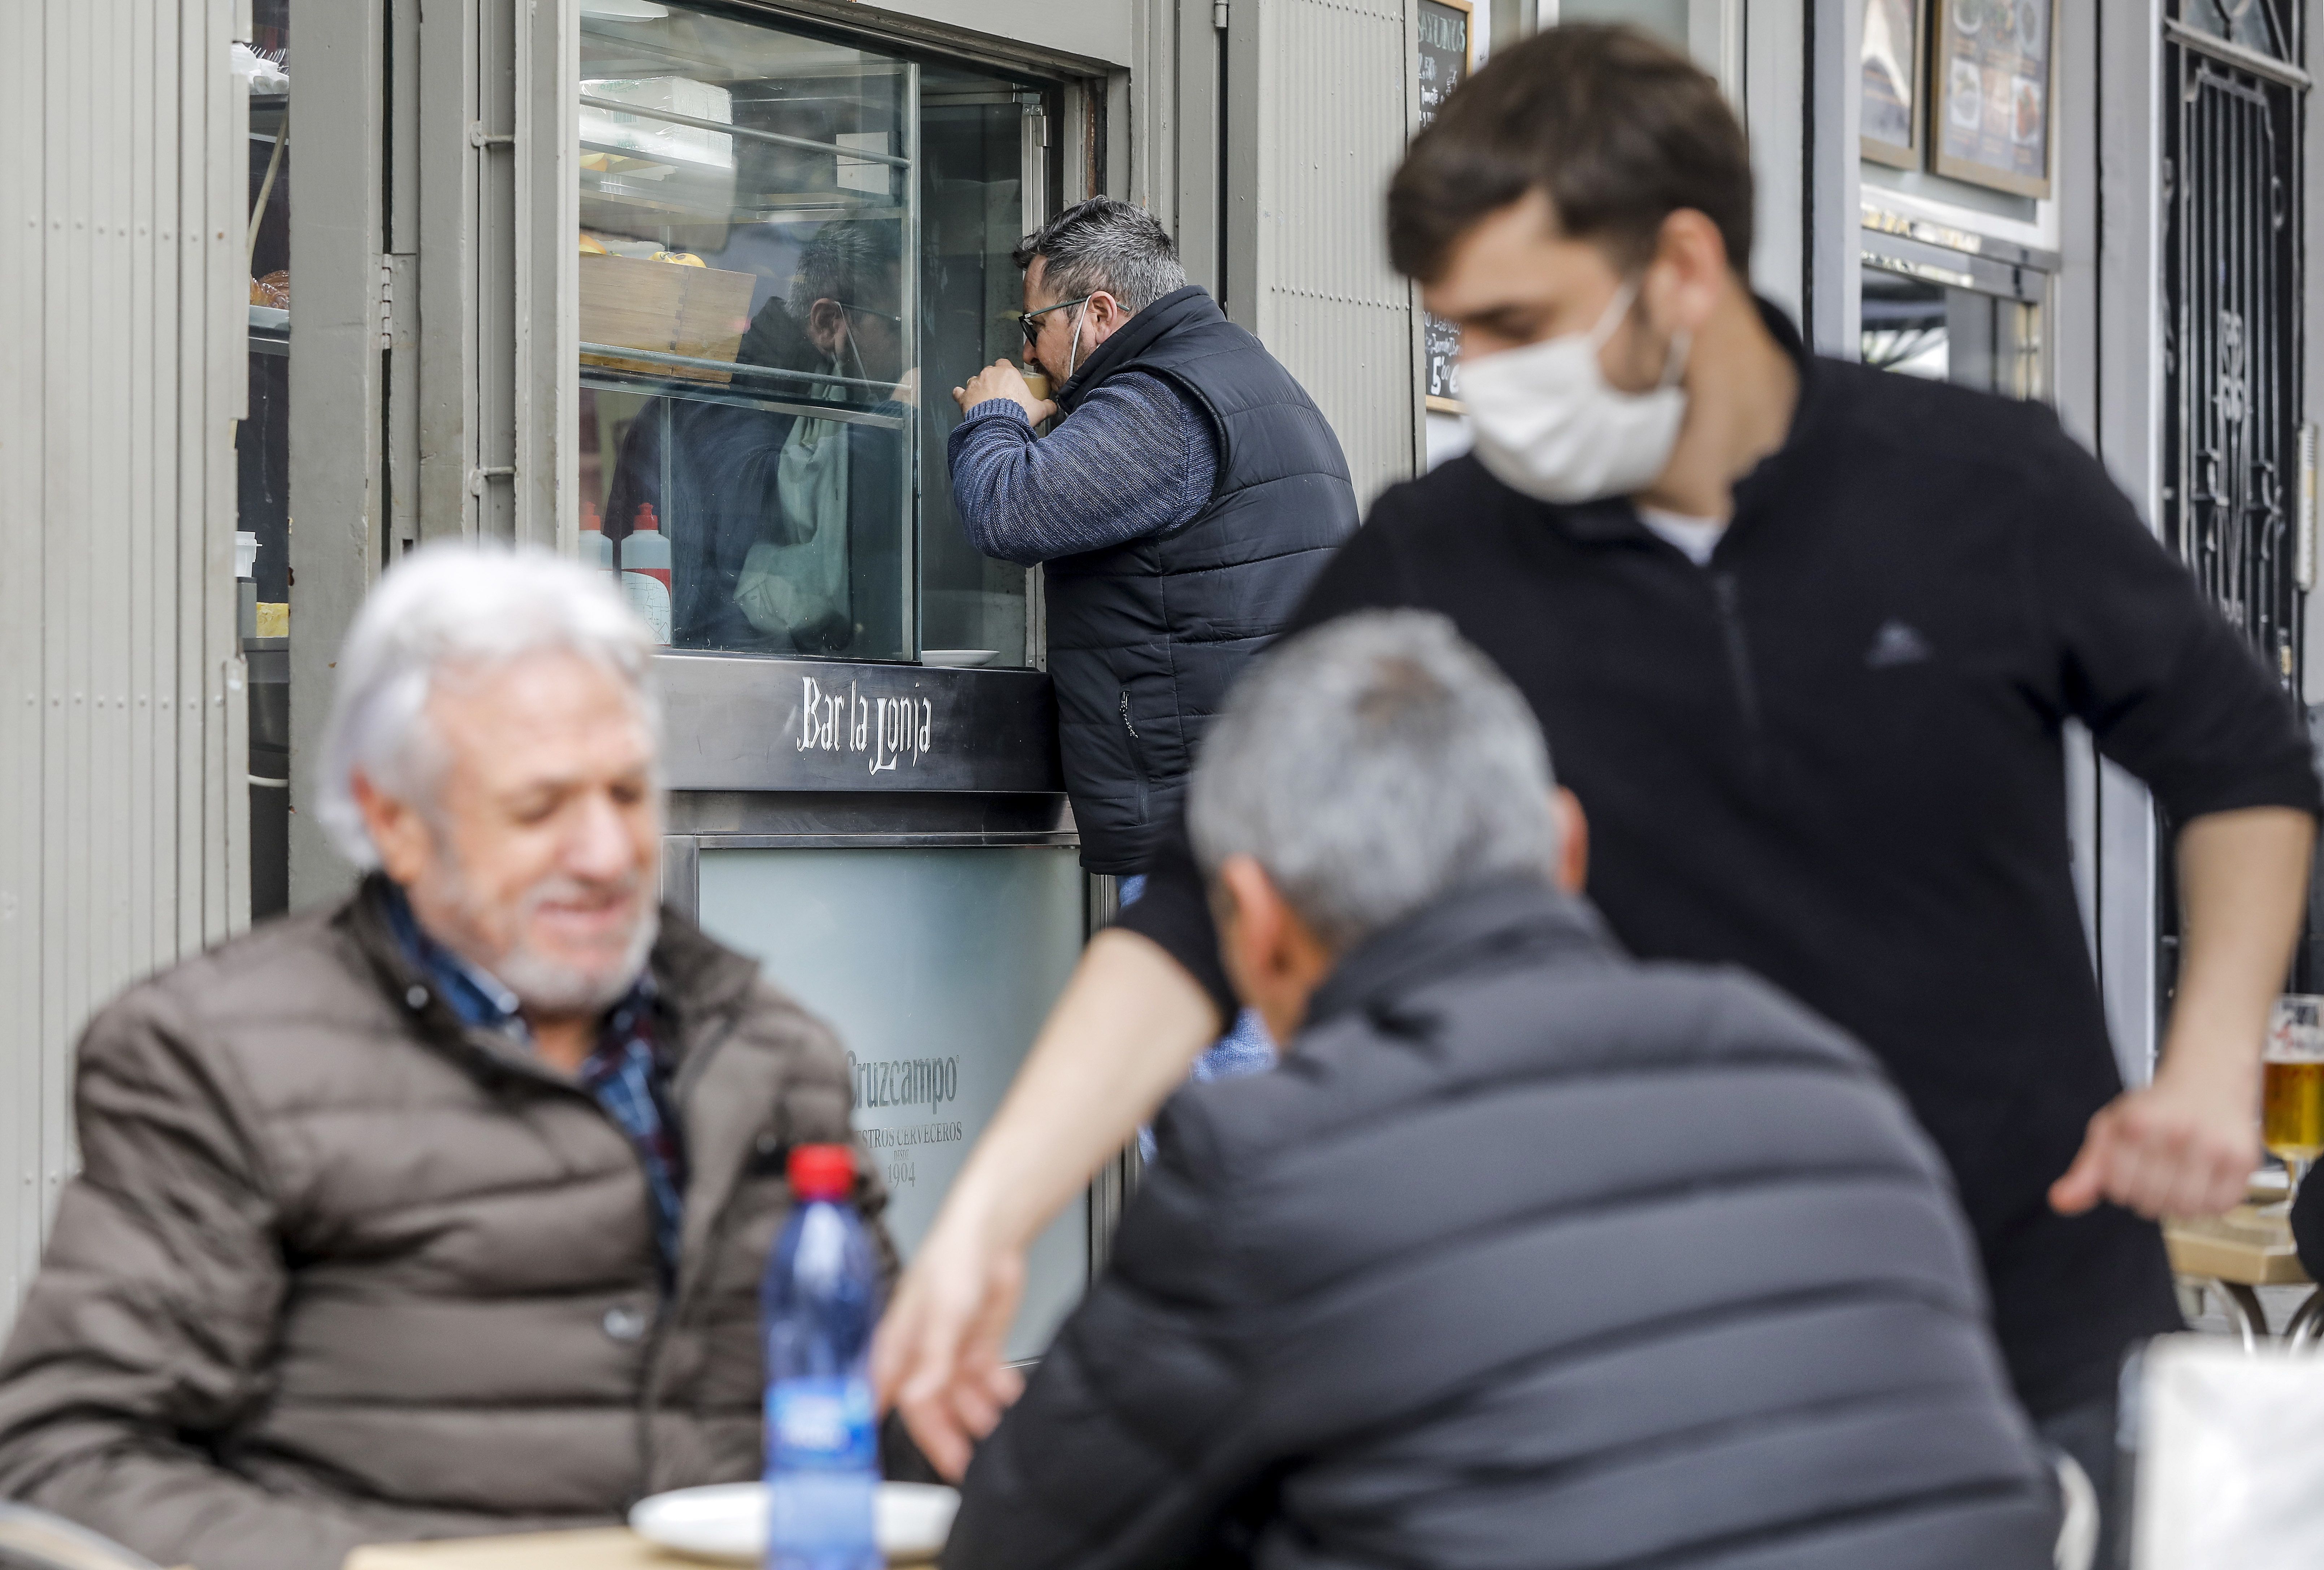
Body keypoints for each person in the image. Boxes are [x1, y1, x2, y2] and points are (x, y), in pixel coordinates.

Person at [877, 24, 2320, 1536]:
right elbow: (1197, 899)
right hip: (1648, 1352)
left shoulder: (1986, 481)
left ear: (1681, 268)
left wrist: (2213, 1054)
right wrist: (993, 1213)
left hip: (2024, 1316)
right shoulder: (1441, 548)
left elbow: (2237, 760)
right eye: (1461, 332)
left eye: (1516, 325)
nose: (1485, 379)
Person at [943, 611, 2061, 1570]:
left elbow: (1020, 1545)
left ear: (1257, 919)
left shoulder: (1266, 1163)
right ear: (1563, 847)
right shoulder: (1831, 1083)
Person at [0, 546, 896, 1570]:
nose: (607, 854)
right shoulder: (215, 1057)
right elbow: (61, 1466)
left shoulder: (773, 1049)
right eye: (539, 807)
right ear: (396, 821)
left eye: (627, 792)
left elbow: (907, 1410)